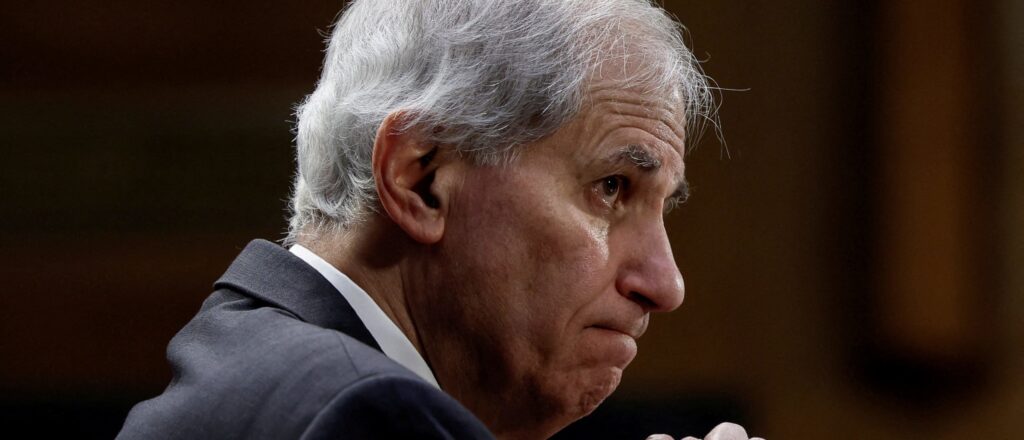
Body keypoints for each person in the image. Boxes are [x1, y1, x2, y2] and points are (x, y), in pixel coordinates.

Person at [118, 0, 760, 439]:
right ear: (419, 179)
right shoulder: (364, 416)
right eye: (611, 188)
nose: (665, 283)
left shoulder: (262, 368)